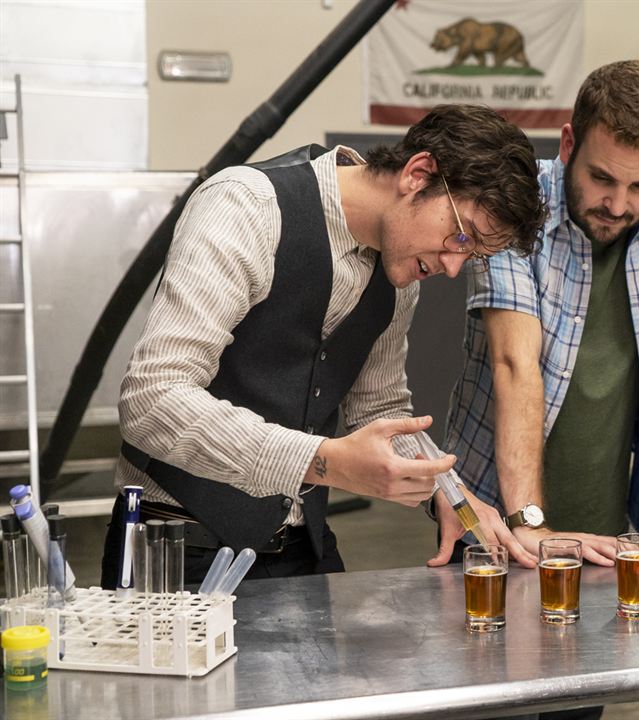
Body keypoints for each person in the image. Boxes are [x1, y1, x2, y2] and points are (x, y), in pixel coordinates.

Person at [100, 104, 547, 588]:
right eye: (461, 236)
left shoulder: (399, 271)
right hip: (173, 551)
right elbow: (152, 398)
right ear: (418, 174)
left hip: (301, 549)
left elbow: (378, 405)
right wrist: (323, 461)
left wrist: (449, 492)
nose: (454, 266)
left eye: (473, 255)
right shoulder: (247, 208)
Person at [434, 60, 639, 571]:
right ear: (568, 145)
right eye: (602, 178)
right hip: (496, 520)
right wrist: (529, 525)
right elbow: (514, 363)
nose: (619, 204)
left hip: (611, 525)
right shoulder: (516, 201)